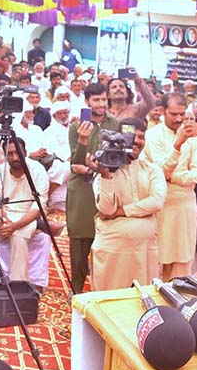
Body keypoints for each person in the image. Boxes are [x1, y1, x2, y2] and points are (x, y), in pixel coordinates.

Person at [91, 118, 166, 291]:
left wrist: (120, 212)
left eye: (141, 137)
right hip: (113, 251)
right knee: (109, 301)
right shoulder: (105, 170)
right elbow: (106, 209)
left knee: (144, 300)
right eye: (131, 136)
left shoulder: (152, 169)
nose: (137, 141)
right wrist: (105, 176)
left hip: (145, 250)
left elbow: (156, 202)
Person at [144, 93, 197, 279]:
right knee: (157, 258)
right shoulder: (153, 135)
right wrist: (177, 145)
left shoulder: (193, 139)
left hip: (185, 205)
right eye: (173, 114)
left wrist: (174, 177)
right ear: (163, 112)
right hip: (160, 204)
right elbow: (160, 172)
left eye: (181, 114)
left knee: (182, 259)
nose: (179, 119)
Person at [67, 83, 121, 294]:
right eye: (96, 100)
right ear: (87, 101)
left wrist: (92, 169)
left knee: (106, 240)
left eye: (103, 99)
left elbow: (117, 158)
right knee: (79, 242)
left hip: (107, 184)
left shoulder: (115, 123)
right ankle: (77, 289)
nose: (101, 104)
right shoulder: (76, 126)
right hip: (82, 190)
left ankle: (103, 289)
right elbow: (75, 162)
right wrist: (82, 140)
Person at [0, 139, 50, 282]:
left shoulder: (37, 170)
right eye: (10, 154)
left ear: (25, 153)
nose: (15, 158)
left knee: (18, 235)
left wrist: (14, 226)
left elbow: (38, 207)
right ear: (5, 155)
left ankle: (18, 285)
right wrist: (1, 218)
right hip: (4, 216)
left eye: (18, 153)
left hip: (26, 216)